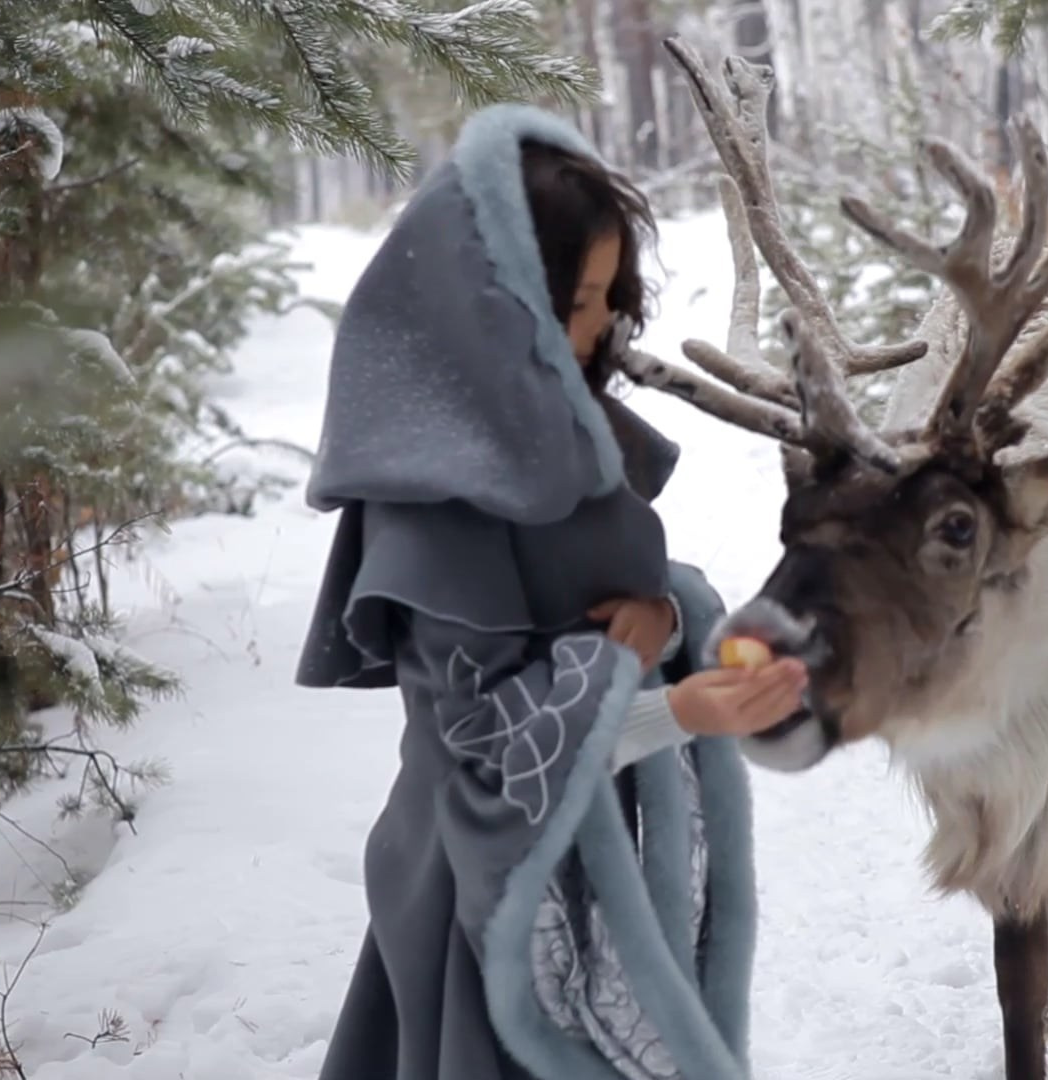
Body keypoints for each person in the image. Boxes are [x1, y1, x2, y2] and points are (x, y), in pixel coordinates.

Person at [294, 103, 809, 1080]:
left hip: (578, 869)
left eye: (611, 296)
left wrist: (670, 619)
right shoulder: (434, 498)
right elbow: (488, 748)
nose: (605, 323)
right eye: (581, 300)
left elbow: (600, 604)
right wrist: (661, 694)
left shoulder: (552, 432)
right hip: (487, 906)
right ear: (498, 301)